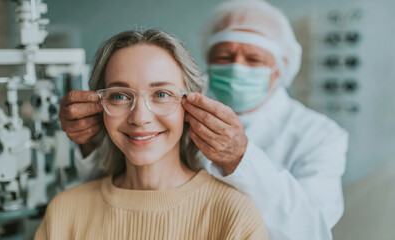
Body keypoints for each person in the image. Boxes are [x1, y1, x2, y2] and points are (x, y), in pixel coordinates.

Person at [59, 0, 348, 239]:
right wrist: (91, 143)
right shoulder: (177, 106)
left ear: (281, 67)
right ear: (207, 60)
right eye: (224, 56)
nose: (237, 67)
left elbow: (313, 230)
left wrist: (238, 158)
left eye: (254, 59)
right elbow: (117, 186)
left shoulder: (320, 135)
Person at [36, 29, 268, 239]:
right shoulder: (64, 212)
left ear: (191, 108)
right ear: (99, 107)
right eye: (119, 96)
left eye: (162, 94)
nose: (139, 117)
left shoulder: (234, 216)